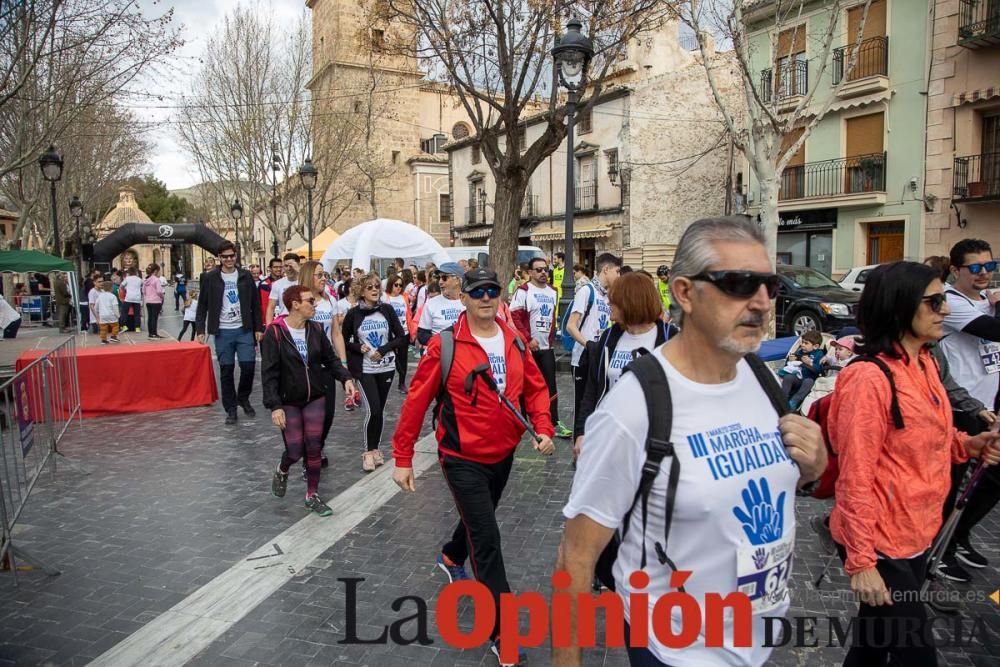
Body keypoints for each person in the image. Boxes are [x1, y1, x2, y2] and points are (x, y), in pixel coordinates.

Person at [555, 217, 826, 667]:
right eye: (738, 283)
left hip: (756, 643)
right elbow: (575, 557)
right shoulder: (634, 406)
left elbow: (785, 484)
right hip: (674, 650)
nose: (761, 302)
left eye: (769, 284)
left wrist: (814, 468)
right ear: (684, 293)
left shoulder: (762, 378)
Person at [828, 261, 1000, 667]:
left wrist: (968, 445)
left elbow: (929, 438)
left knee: (872, 642)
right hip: (881, 543)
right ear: (899, 306)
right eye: (935, 301)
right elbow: (855, 477)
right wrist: (862, 563)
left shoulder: (925, 363)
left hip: (917, 533)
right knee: (917, 653)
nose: (944, 310)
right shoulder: (868, 379)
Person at [392, 267, 555, 665]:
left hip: (504, 452)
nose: (485, 297)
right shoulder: (446, 345)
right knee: (487, 539)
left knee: (478, 521)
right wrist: (403, 457)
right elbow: (416, 400)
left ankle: (450, 555)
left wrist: (544, 426)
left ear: (500, 295)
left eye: (492, 291)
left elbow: (535, 387)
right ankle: (503, 632)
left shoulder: (513, 339)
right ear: (463, 297)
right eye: (477, 291)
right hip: (461, 456)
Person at [935, 238, 1000, 581]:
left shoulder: (986, 300)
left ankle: (959, 533)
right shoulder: (950, 302)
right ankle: (939, 549)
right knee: (951, 483)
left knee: (992, 477)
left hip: (987, 407)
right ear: (956, 270)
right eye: (975, 268)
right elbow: (994, 330)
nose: (984, 274)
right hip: (960, 406)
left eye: (990, 267)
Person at [262, 284, 356, 517]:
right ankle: (283, 469)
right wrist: (275, 406)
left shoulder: (314, 330)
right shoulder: (275, 332)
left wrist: (345, 378)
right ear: (295, 305)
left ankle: (311, 495)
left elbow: (331, 360)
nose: (314, 305)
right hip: (289, 400)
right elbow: (269, 373)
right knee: (294, 450)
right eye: (310, 302)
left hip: (315, 396)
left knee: (314, 447)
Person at [573, 272, 677, 455]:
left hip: (651, 441)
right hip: (608, 437)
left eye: (613, 301)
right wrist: (581, 432)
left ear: (630, 302)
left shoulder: (670, 339)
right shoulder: (608, 339)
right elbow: (591, 391)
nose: (608, 304)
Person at [343, 273, 408, 471]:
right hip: (365, 369)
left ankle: (376, 448)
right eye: (369, 287)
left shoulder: (387, 310)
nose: (374, 290)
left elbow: (401, 337)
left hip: (386, 367)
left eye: (376, 286)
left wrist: (383, 350)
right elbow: (342, 340)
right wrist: (357, 348)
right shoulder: (353, 314)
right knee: (373, 410)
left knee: (380, 411)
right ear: (361, 291)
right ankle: (368, 452)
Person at [196, 241, 264, 425]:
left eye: (231, 256)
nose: (228, 259)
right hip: (223, 331)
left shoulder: (245, 277)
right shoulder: (210, 278)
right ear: (219, 258)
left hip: (244, 330)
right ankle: (231, 408)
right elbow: (202, 305)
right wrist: (200, 329)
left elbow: (255, 305)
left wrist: (259, 328)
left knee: (249, 367)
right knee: (226, 371)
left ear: (236, 256)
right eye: (225, 256)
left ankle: (243, 397)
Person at [511, 256, 571, 438]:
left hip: (546, 348)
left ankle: (555, 422)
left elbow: (552, 318)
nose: (544, 273)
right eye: (539, 270)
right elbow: (515, 317)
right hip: (527, 349)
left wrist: (551, 338)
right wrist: (527, 339)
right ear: (530, 273)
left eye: (546, 269)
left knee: (550, 385)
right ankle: (520, 421)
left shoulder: (553, 291)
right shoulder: (523, 291)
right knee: (522, 385)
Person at [566, 252, 620, 428]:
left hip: (600, 357)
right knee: (582, 406)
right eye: (617, 271)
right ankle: (578, 447)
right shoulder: (586, 291)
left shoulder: (607, 296)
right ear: (606, 270)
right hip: (583, 358)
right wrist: (588, 345)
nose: (619, 276)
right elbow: (571, 325)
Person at [416, 262, 466, 345]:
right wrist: (442, 343)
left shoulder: (470, 302)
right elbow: (422, 335)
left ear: (457, 280)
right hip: (441, 354)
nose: (440, 282)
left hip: (465, 353)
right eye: (439, 278)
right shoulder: (431, 303)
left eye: (444, 278)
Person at [781, 329, 825, 411]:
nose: (802, 345)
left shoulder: (819, 354)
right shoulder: (800, 352)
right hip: (798, 377)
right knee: (788, 377)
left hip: (809, 379)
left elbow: (821, 370)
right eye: (802, 342)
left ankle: (794, 401)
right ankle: (782, 398)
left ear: (815, 346)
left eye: (806, 343)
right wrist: (790, 361)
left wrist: (811, 364)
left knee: (808, 381)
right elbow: (789, 367)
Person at [384, 274, 412, 393]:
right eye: (396, 285)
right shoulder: (385, 297)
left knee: (403, 358)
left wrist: (411, 330)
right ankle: (386, 380)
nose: (399, 287)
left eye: (401, 285)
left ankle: (402, 383)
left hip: (404, 332)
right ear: (391, 284)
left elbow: (408, 314)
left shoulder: (404, 297)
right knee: (392, 357)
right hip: (391, 334)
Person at [266, 253, 301, 325]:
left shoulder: (304, 281)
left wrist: (299, 270)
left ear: (297, 265)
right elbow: (271, 308)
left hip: (302, 323)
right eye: (286, 266)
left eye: (291, 266)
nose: (288, 269)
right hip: (284, 324)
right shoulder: (277, 284)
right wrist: (269, 327)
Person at [143, 264, 165, 338]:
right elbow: (159, 291)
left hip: (148, 301)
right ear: (155, 271)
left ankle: (150, 333)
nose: (159, 273)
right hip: (156, 301)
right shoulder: (156, 280)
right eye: (158, 271)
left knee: (150, 317)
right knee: (155, 318)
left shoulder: (146, 280)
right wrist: (162, 296)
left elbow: (144, 291)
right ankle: (155, 333)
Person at [121, 267, 143, 333]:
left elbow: (121, 286)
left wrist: (126, 288)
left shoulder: (127, 279)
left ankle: (124, 325)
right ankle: (137, 327)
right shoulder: (139, 279)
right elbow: (142, 286)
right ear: (136, 272)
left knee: (124, 312)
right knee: (137, 314)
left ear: (129, 273)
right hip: (137, 298)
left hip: (128, 297)